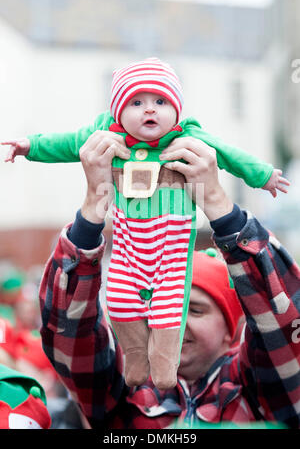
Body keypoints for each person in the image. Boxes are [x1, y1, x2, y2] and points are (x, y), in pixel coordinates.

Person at [1, 58, 290, 390]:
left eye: (161, 101)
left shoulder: (188, 138)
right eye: (136, 102)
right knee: (121, 302)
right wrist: (29, 147)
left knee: (169, 308)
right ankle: (136, 358)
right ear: (118, 113)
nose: (149, 110)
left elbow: (229, 153)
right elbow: (66, 143)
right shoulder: (108, 137)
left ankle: (164, 366)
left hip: (170, 250)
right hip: (126, 247)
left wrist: (263, 175)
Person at [37, 133, 300, 429]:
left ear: (233, 329)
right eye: (158, 302)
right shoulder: (124, 390)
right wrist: (92, 211)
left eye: (195, 309)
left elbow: (283, 320)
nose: (174, 314)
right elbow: (67, 332)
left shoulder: (259, 392)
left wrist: (219, 205)